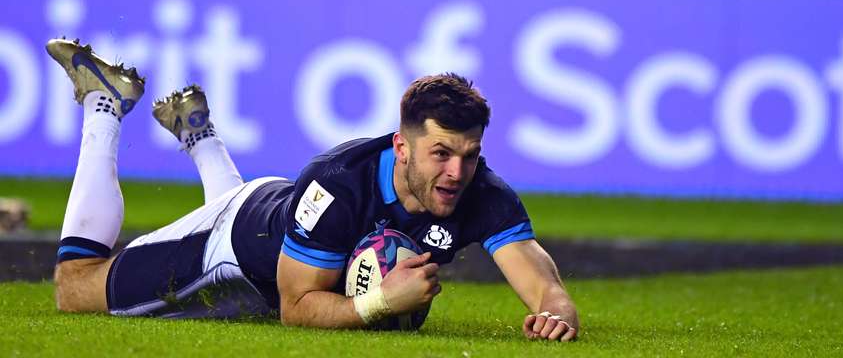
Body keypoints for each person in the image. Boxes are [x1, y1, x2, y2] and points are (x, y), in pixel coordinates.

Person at [47, 38, 579, 341]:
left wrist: (556, 316)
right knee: (74, 289)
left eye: (469, 156)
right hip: (234, 244)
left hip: (285, 216)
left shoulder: (481, 189)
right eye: (441, 154)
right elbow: (296, 307)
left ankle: (200, 137)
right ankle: (105, 105)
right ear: (402, 147)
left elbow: (543, 284)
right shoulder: (340, 183)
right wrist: (379, 303)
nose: (456, 174)